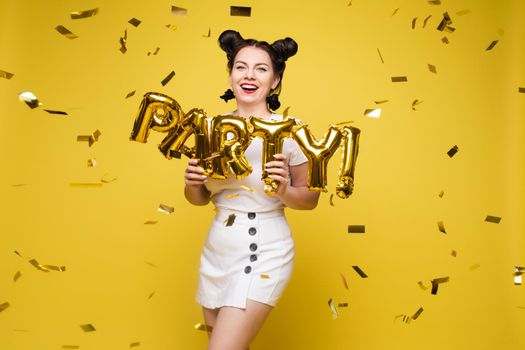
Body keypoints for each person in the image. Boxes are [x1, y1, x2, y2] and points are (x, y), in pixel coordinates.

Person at [184, 29, 319, 350]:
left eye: (261, 68)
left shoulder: (291, 131)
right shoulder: (210, 128)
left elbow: (310, 199)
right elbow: (199, 199)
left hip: (265, 249)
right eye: (241, 66)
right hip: (218, 249)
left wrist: (284, 190)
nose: (249, 75)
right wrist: (192, 184)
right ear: (230, 74)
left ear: (275, 80)